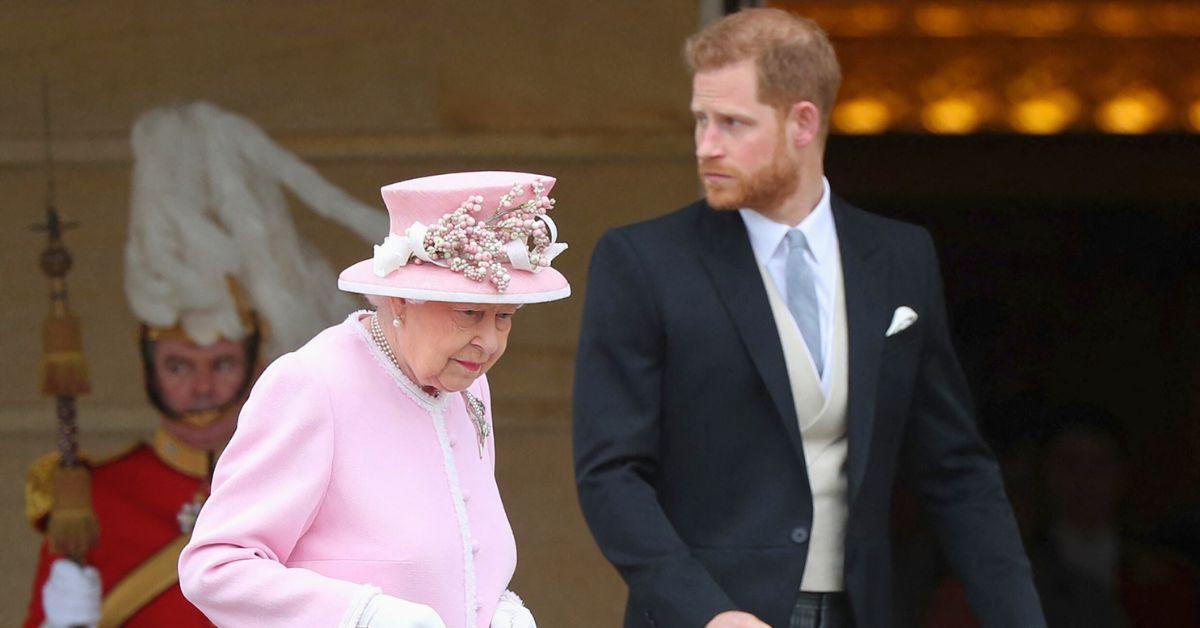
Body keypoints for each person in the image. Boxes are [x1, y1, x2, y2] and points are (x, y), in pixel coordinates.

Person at [572, 9, 1044, 628]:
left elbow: (955, 469)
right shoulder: (643, 262)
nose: (705, 145)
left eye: (733, 123)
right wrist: (708, 613)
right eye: (700, 120)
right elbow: (610, 474)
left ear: (803, 122)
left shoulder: (900, 258)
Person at [23, 101, 386, 628]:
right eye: (177, 366)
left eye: (220, 363)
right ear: (148, 367)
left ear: (256, 362)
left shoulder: (308, 478)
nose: (200, 386)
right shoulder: (95, 497)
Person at [178, 171, 570, 627]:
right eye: (470, 313)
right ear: (402, 300)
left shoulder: (465, 383)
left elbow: (458, 553)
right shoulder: (312, 384)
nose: (488, 341)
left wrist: (498, 608)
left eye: (505, 317)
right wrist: (362, 617)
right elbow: (216, 567)